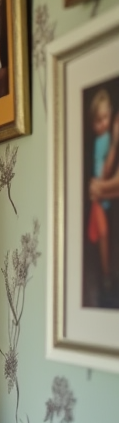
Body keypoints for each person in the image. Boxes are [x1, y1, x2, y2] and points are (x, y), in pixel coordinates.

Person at [88, 87, 118, 293]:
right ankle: (106, 274)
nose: (103, 124)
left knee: (102, 234)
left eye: (105, 118)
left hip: (101, 196)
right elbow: (106, 171)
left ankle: (105, 274)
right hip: (99, 200)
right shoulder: (103, 141)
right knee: (103, 233)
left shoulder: (105, 139)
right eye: (98, 120)